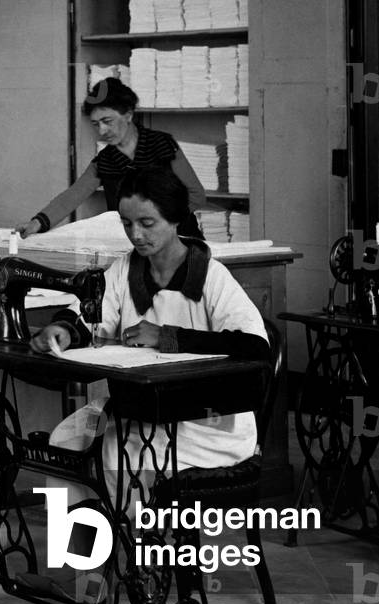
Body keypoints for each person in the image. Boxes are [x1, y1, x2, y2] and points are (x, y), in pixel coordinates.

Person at [31, 165, 268, 493]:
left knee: (116, 454)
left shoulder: (211, 276)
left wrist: (166, 336)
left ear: (174, 220)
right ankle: (77, 544)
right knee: (65, 442)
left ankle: (128, 540)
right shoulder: (125, 270)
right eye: (126, 223)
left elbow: (255, 345)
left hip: (209, 424)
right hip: (141, 410)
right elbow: (91, 317)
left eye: (146, 223)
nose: (135, 235)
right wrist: (65, 331)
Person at [14, 78, 207, 238]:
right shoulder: (105, 160)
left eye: (107, 121)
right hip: (135, 244)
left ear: (129, 115)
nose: (102, 131)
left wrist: (163, 221)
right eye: (96, 124)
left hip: (180, 240)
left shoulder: (161, 144)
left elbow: (197, 194)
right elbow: (71, 197)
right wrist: (37, 223)